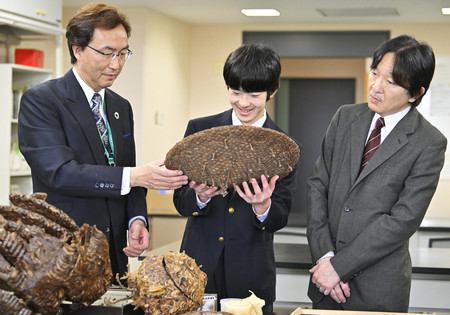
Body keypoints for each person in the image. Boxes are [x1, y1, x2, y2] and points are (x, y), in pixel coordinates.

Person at [18, 3, 188, 280]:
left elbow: (125, 168)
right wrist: (136, 176)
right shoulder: (43, 100)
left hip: (115, 253)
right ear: (77, 49)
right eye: (107, 53)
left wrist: (136, 218)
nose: (116, 64)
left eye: (122, 54)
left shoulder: (121, 106)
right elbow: (59, 172)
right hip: (66, 252)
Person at [307, 34, 447, 312]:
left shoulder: (429, 142)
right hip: (324, 280)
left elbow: (403, 220)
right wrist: (325, 259)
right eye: (374, 73)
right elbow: (317, 185)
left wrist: (338, 267)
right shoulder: (345, 117)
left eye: (391, 81)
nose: (375, 86)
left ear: (416, 92)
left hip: (378, 289)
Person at [172, 42, 300, 313]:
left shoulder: (283, 147)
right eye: (235, 92)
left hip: (251, 275)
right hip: (197, 268)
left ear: (272, 91)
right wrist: (199, 197)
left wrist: (263, 206)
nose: (243, 103)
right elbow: (180, 201)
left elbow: (280, 217)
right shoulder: (199, 130)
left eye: (254, 95)